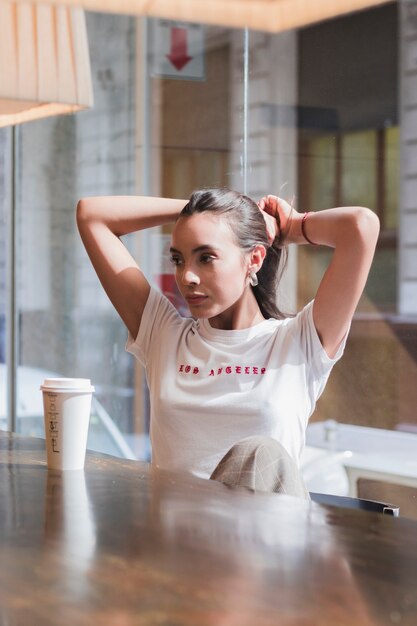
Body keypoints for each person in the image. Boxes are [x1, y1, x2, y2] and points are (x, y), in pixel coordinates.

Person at [76, 188, 379, 498]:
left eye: (206, 258)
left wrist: (292, 226)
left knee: (261, 453)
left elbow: (361, 226)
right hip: (176, 540)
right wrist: (204, 211)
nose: (187, 277)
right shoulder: (164, 336)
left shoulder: (299, 343)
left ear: (255, 259)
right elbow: (91, 215)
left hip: (267, 538)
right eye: (179, 260)